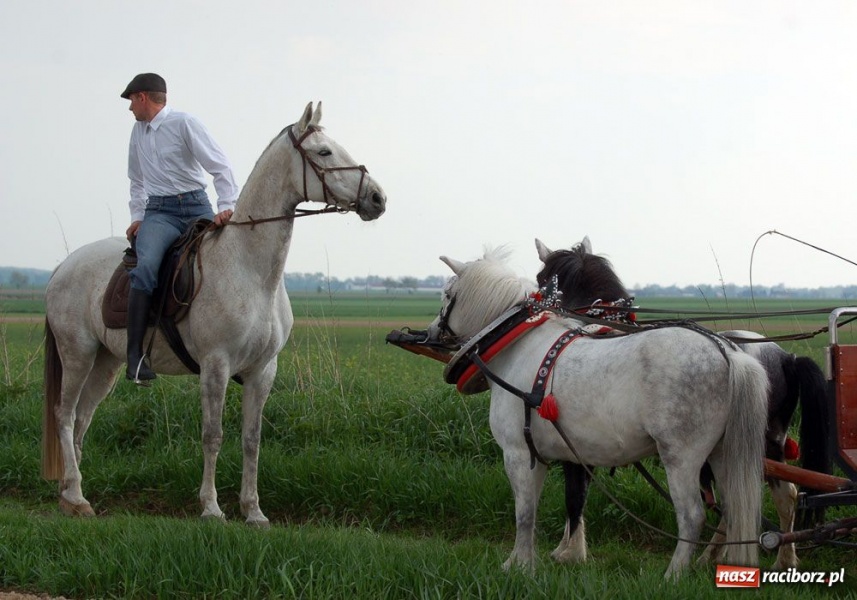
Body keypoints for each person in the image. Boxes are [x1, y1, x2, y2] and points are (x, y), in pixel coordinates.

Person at [121, 72, 239, 385]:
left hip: (197, 206)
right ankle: (135, 357)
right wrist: (137, 215)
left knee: (225, 262)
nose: (130, 107)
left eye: (132, 100)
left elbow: (220, 165)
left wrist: (227, 205)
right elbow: (136, 179)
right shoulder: (138, 131)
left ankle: (239, 346)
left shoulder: (185, 123)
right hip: (159, 212)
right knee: (146, 267)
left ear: (143, 97)